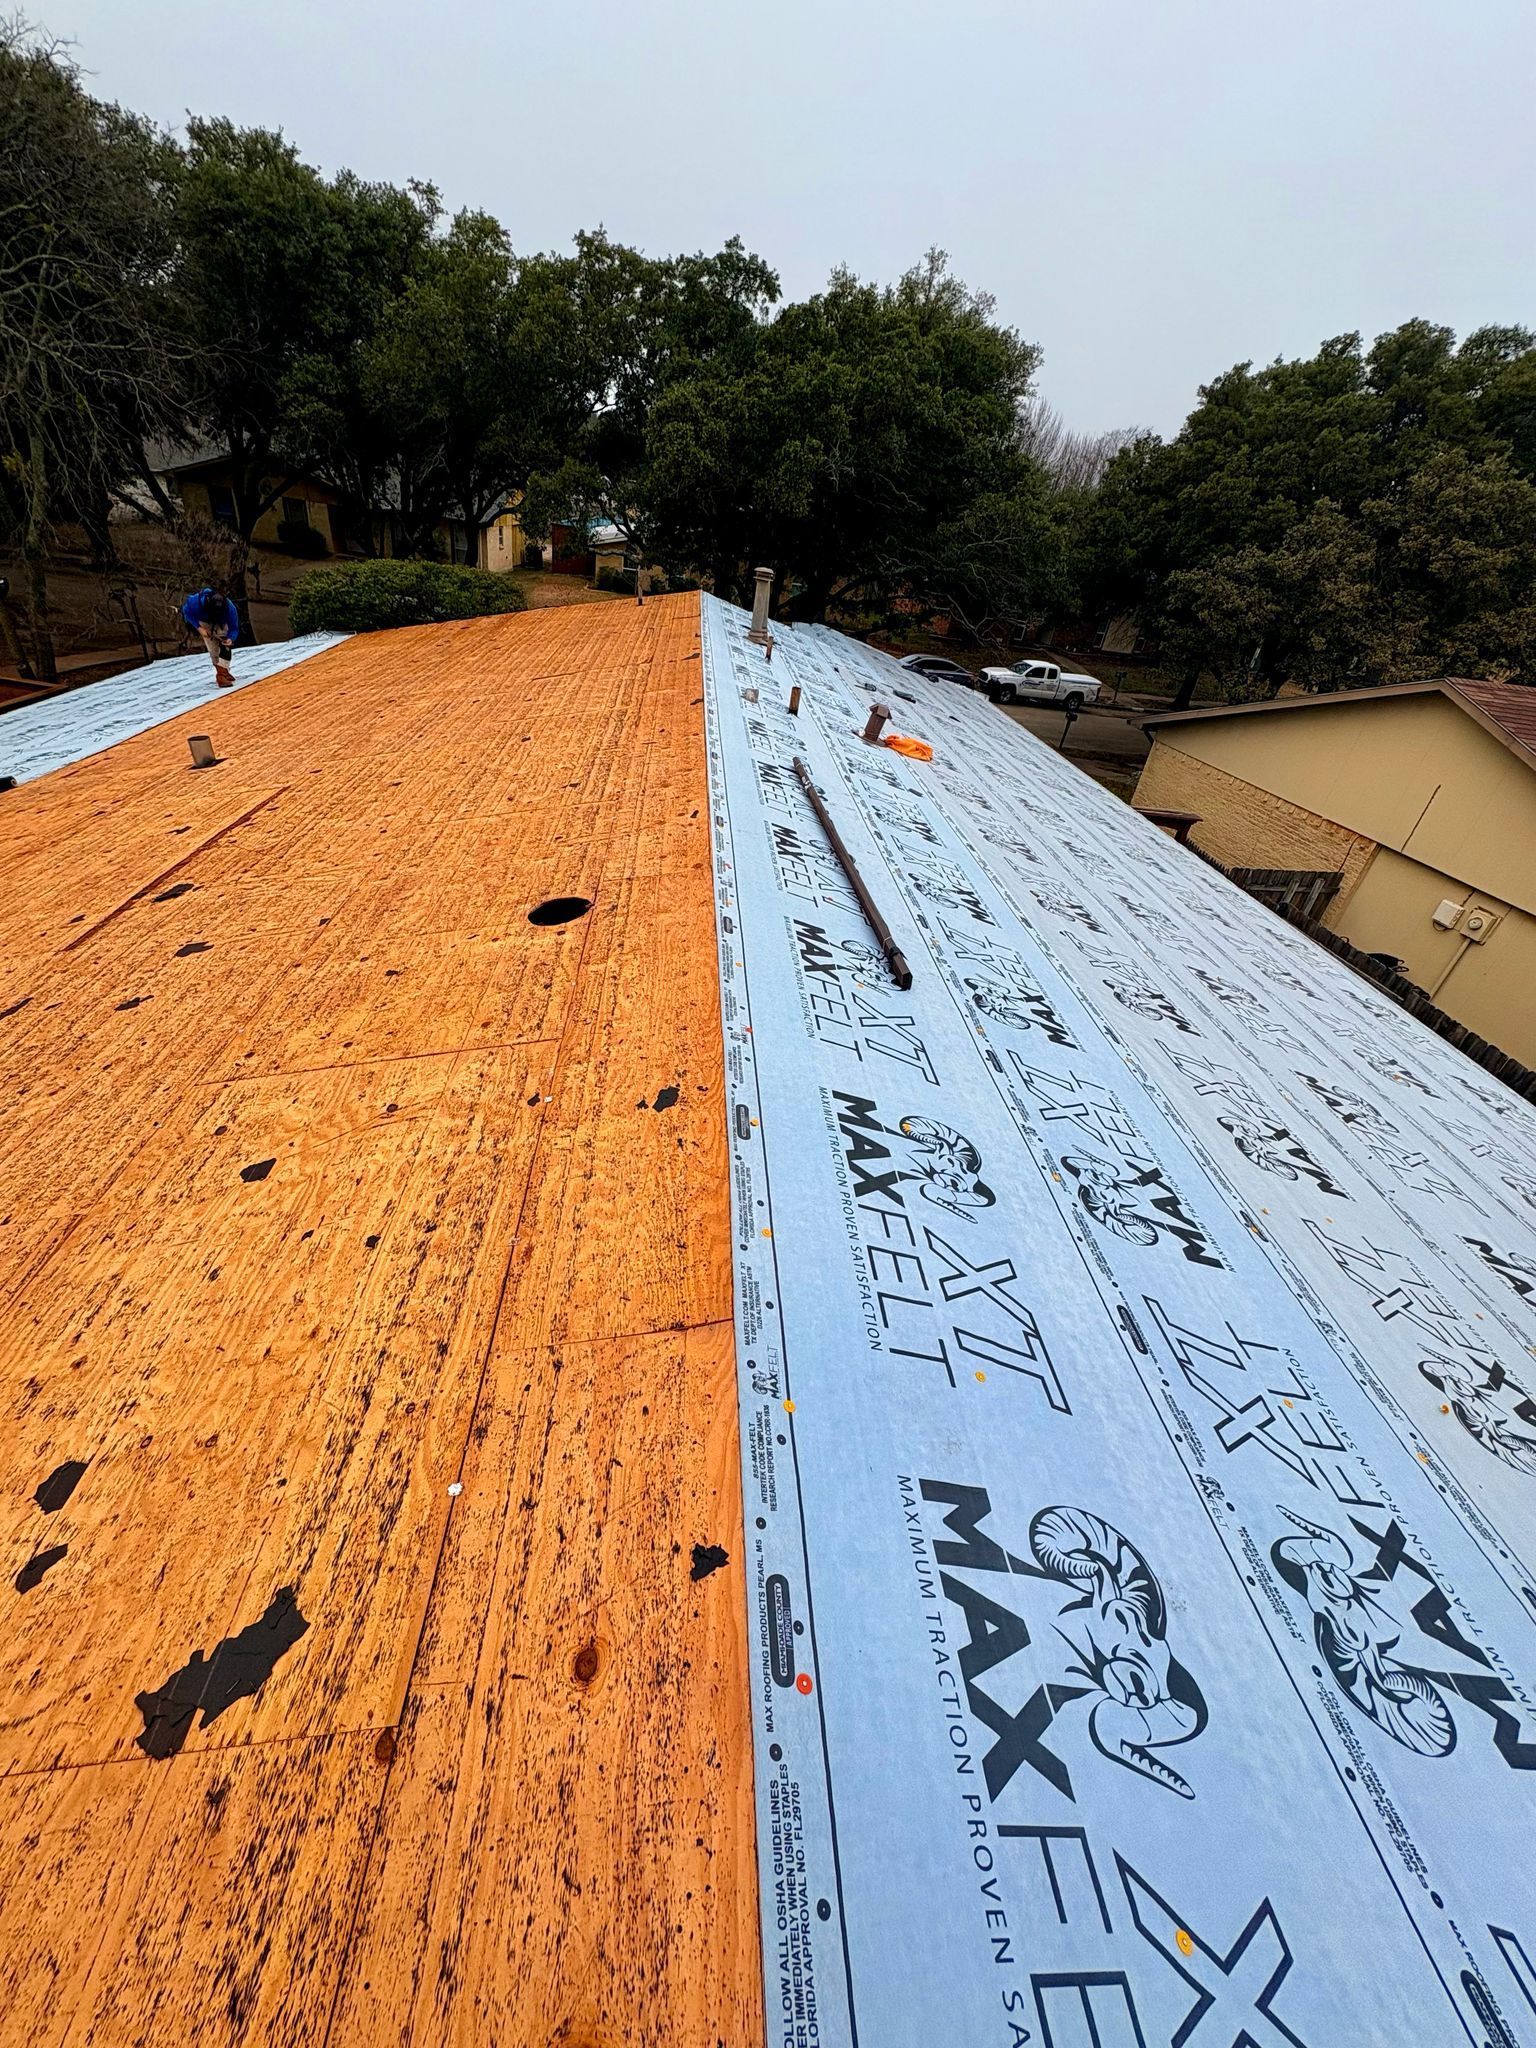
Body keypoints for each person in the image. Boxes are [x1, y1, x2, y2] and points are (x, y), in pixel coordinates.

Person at [181, 586, 240, 685]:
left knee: (225, 645)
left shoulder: (230, 608)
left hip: (221, 622)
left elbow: (234, 627)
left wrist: (231, 638)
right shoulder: (196, 603)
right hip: (204, 622)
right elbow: (187, 612)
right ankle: (221, 672)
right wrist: (199, 628)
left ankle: (222, 673)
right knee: (213, 648)